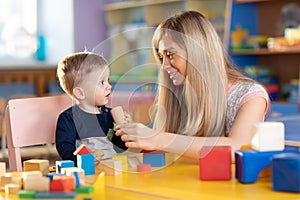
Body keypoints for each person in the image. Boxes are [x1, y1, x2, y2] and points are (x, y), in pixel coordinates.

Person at [116, 10, 270, 160]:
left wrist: (157, 138)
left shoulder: (250, 95)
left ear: (198, 51)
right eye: (161, 57)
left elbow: (237, 147)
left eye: (170, 55)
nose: (164, 66)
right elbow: (163, 152)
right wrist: (133, 135)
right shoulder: (179, 92)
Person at [56, 52, 128, 165]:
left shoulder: (108, 115)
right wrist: (81, 160)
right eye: (102, 82)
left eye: (108, 80)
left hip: (112, 167)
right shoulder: (69, 118)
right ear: (80, 93)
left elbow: (121, 147)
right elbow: (65, 150)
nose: (109, 86)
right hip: (87, 169)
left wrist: (123, 130)